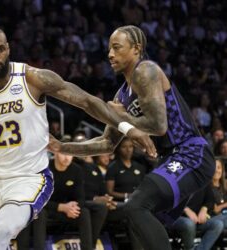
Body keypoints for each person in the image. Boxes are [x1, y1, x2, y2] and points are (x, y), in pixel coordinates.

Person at [0, 26, 155, 250]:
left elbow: (87, 101)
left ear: (8, 49)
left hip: (29, 178)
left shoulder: (32, 79)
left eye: (1, 49)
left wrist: (127, 128)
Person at [49, 25, 215, 250]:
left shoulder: (146, 71)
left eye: (116, 48)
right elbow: (107, 144)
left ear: (136, 49)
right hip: (170, 159)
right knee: (138, 217)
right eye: (109, 49)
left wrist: (121, 117)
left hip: (191, 152)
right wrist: (61, 146)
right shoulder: (121, 95)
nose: (110, 54)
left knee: (136, 205)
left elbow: (158, 126)